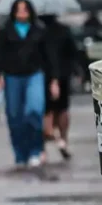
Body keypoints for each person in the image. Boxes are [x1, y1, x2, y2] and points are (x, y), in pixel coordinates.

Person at [0, 0, 59, 168]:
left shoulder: (40, 30)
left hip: (34, 75)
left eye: (25, 9)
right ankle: (20, 153)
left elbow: (49, 57)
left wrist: (54, 80)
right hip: (12, 76)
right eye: (18, 9)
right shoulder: (5, 31)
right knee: (15, 116)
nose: (22, 13)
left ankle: (36, 150)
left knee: (34, 110)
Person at [41, 13, 77, 160]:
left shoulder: (38, 31)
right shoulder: (63, 30)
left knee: (45, 111)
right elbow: (73, 52)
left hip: (43, 74)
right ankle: (63, 140)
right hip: (63, 74)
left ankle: (45, 147)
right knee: (63, 109)